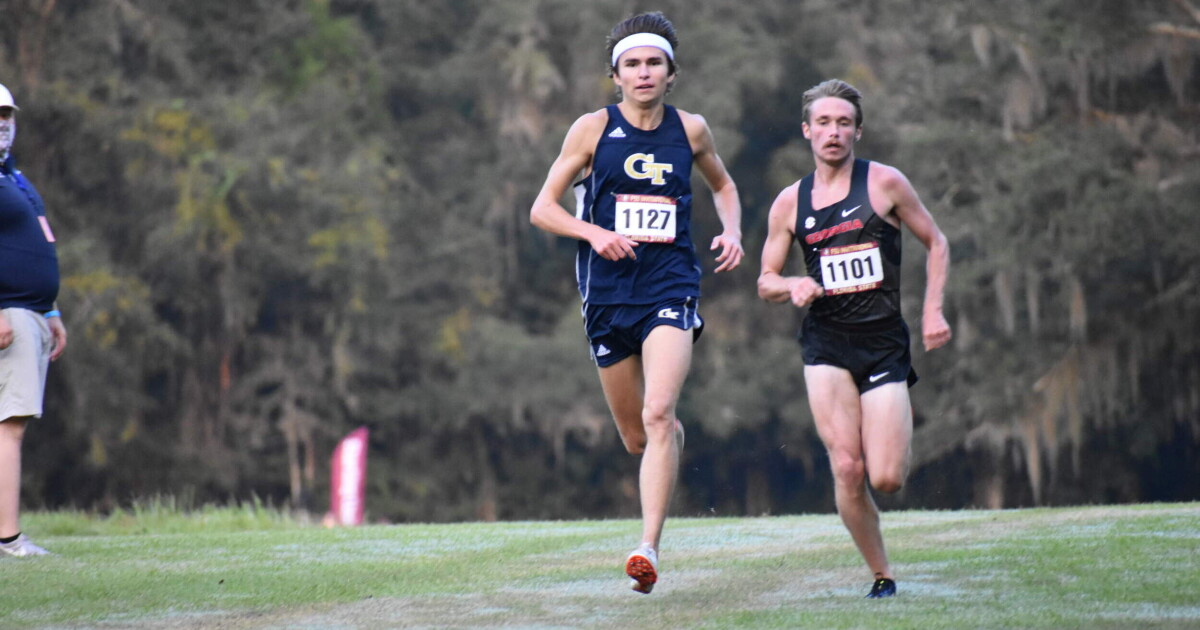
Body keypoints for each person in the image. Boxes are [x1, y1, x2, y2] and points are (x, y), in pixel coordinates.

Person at [530, 12, 743, 594]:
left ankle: (647, 546)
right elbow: (543, 208)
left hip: (670, 286)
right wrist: (593, 232)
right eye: (633, 64)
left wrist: (732, 230)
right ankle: (667, 443)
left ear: (672, 73)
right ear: (616, 75)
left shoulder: (692, 130)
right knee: (638, 436)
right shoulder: (591, 130)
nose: (644, 73)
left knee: (658, 412)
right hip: (606, 296)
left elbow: (723, 186)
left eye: (654, 63)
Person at [757, 79, 951, 598]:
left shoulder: (885, 184)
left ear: (857, 131)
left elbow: (936, 243)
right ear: (807, 131)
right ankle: (881, 575)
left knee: (885, 477)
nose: (833, 132)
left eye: (843, 123)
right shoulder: (789, 203)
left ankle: (886, 466)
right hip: (826, 343)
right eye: (823, 123)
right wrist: (792, 284)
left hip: (884, 342)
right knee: (847, 465)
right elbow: (765, 280)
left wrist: (932, 311)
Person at [0, 82, 67, 558]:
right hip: (9, 313)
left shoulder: (13, 176)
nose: (2, 125)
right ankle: (8, 537)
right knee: (10, 426)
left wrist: (52, 310)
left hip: (32, 312)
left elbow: (37, 243)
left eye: (6, 116)